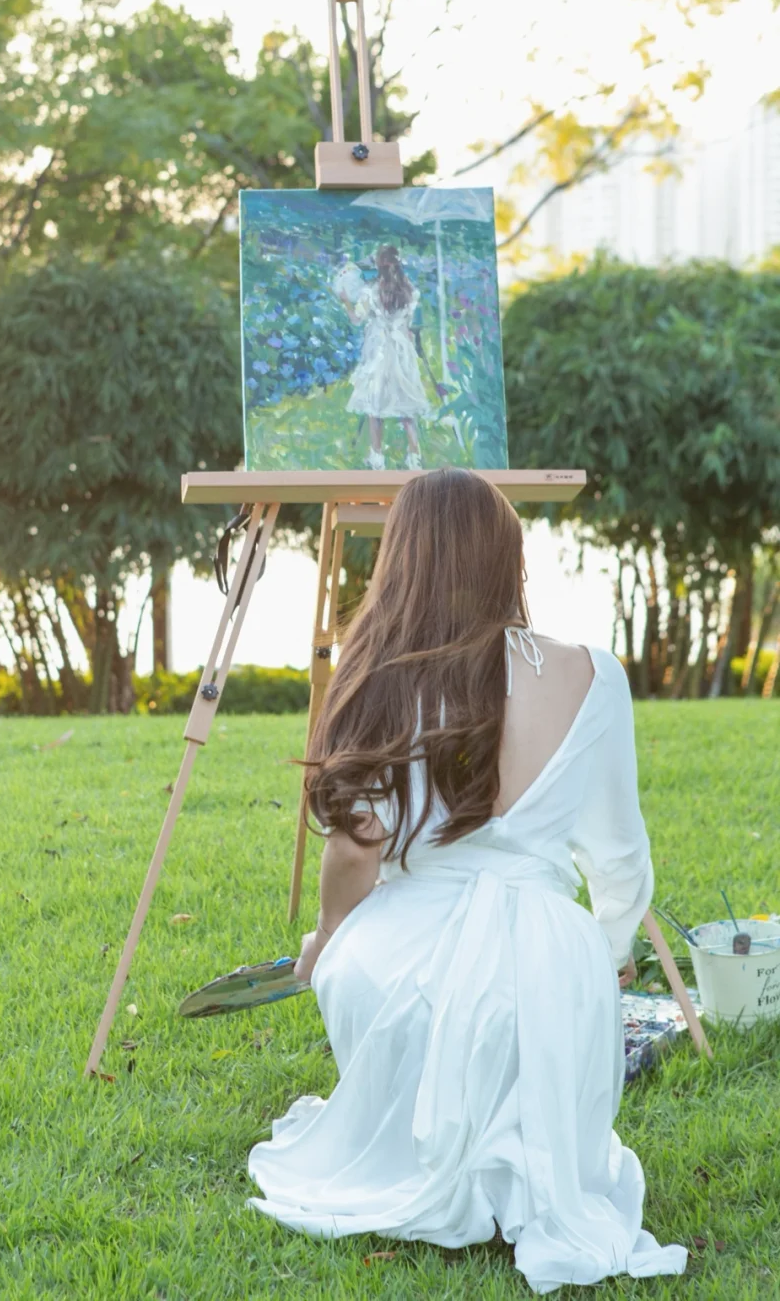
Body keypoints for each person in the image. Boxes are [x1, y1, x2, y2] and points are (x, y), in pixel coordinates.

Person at [247, 468, 688, 1295]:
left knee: (359, 958)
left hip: (408, 952)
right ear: (507, 558)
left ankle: (427, 1149)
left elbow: (355, 849)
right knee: (530, 991)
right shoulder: (595, 673)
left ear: (402, 560)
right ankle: (514, 1156)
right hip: (553, 964)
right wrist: (606, 954)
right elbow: (621, 857)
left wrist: (326, 939)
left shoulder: (381, 670)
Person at [333, 244, 434, 470]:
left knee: (375, 404)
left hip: (378, 349)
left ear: (378, 265)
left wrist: (345, 300)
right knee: (406, 403)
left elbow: (356, 319)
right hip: (400, 349)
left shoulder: (371, 292)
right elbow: (408, 325)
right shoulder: (410, 292)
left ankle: (377, 456)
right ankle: (414, 456)